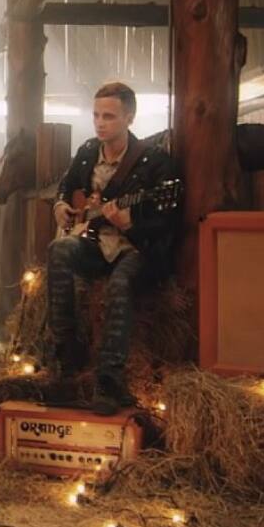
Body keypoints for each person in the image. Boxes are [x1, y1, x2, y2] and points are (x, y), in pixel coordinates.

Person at [48, 82, 178, 416]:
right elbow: (66, 186)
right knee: (59, 251)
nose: (100, 123)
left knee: (120, 284)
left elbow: (168, 221)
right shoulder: (88, 151)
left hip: (135, 247)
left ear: (129, 117)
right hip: (93, 241)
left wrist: (130, 223)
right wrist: (61, 206)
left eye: (109, 116)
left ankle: (109, 380)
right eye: (96, 115)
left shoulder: (155, 162)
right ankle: (65, 360)